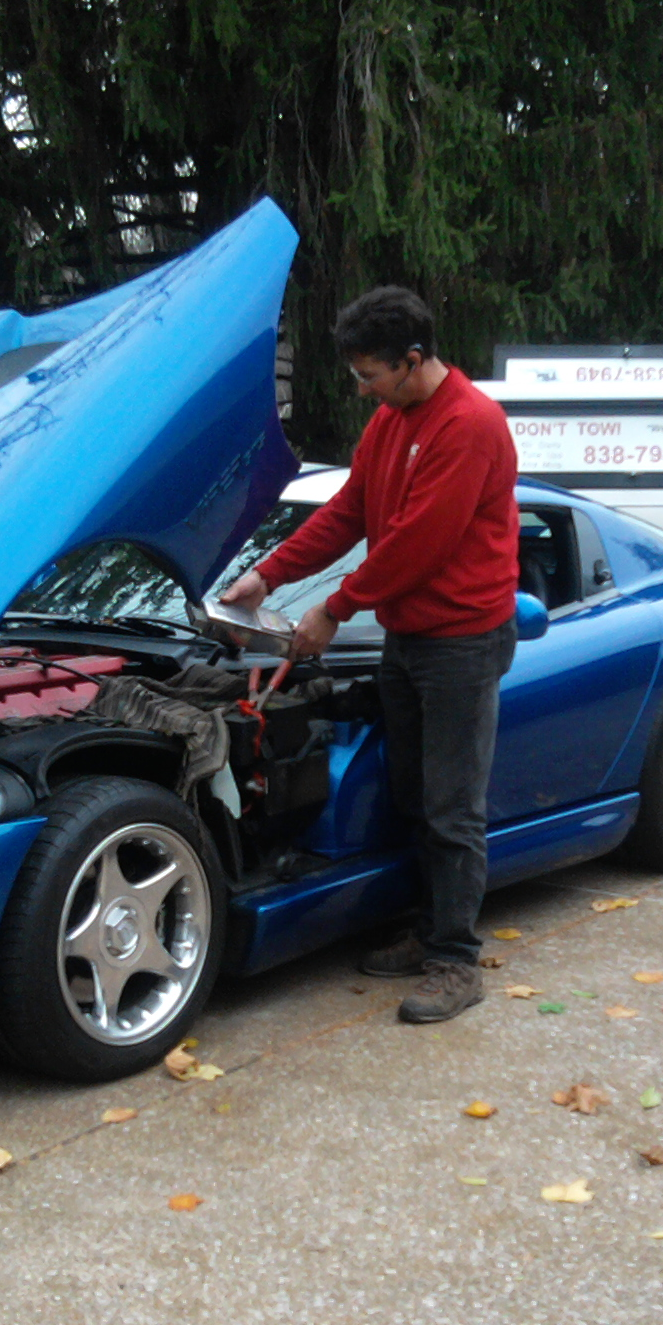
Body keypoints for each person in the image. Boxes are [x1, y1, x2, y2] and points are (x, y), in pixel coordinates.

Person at [218, 286, 519, 1023]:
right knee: (413, 795)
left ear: (413, 360)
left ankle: (455, 961)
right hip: (409, 637)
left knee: (451, 807)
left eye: (369, 375)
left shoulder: (471, 425)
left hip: (461, 642)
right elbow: (349, 512)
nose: (361, 389)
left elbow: (419, 541)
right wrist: (271, 573)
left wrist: (333, 608)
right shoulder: (391, 422)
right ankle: (426, 928)